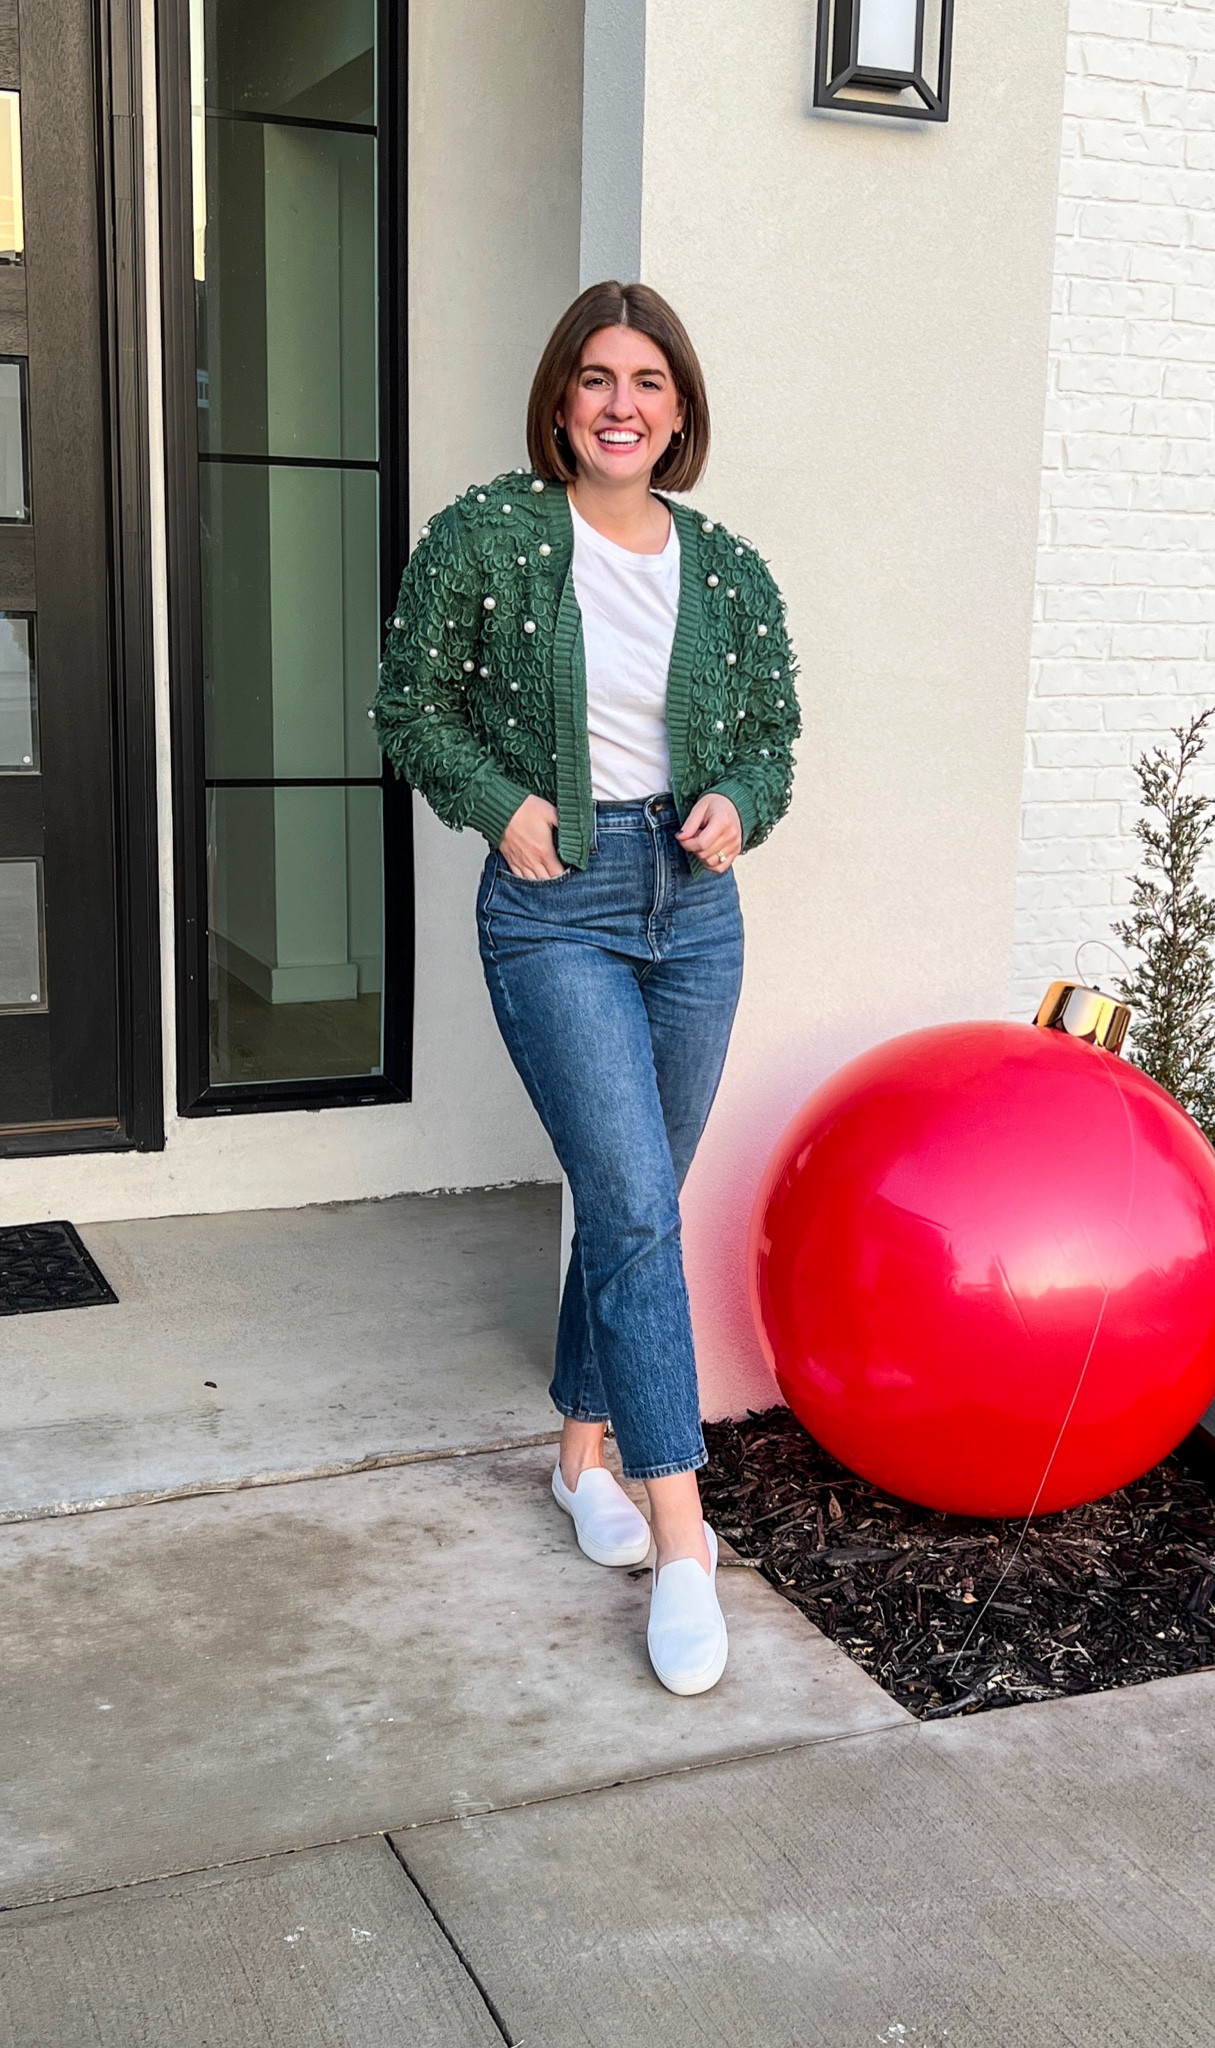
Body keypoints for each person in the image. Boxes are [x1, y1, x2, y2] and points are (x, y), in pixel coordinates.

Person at [372, 282, 799, 1695]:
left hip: (696, 908)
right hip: (558, 905)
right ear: (560, 400)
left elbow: (777, 736)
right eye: (597, 378)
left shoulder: (726, 569)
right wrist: (501, 805)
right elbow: (409, 704)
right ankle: (686, 1545)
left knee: (634, 1206)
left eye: (650, 381)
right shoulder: (490, 535)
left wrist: (740, 797)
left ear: (679, 411)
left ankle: (578, 1459)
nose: (623, 403)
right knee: (628, 1206)